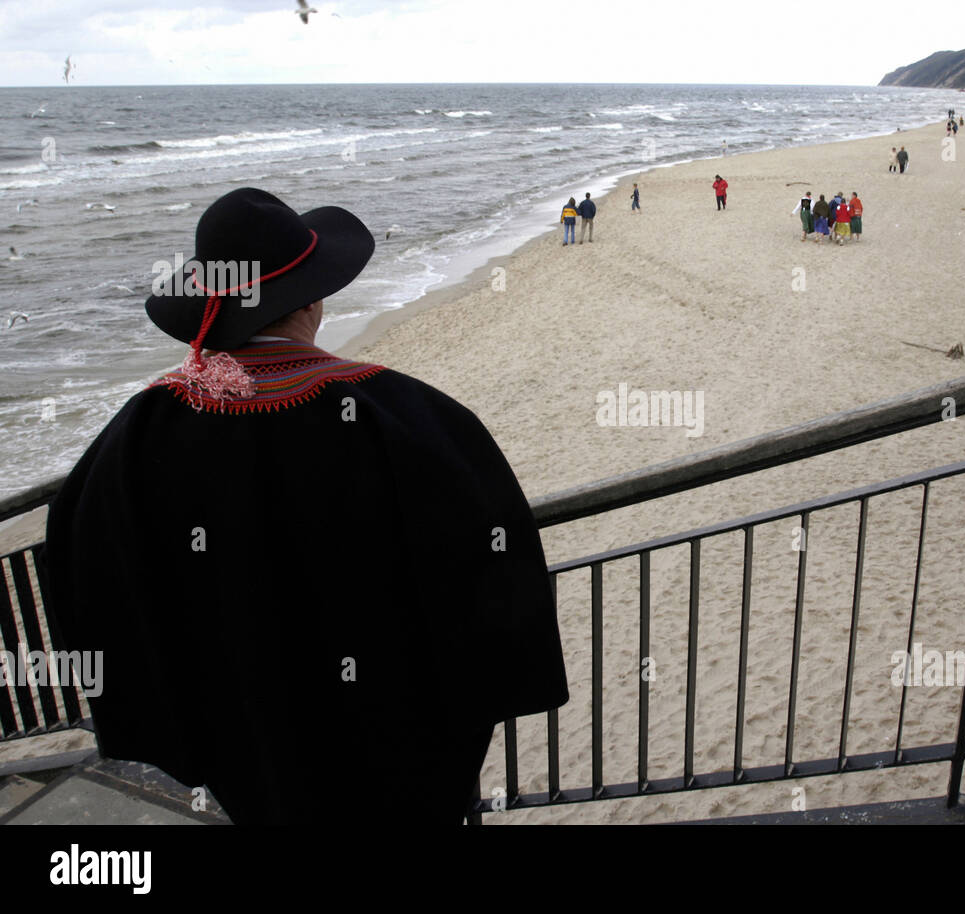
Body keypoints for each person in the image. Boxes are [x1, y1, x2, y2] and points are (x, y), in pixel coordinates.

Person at [39, 187, 569, 825]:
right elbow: (495, 576)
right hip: (403, 750)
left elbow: (87, 573)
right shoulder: (408, 417)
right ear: (314, 299)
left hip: (243, 750)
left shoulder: (137, 434)